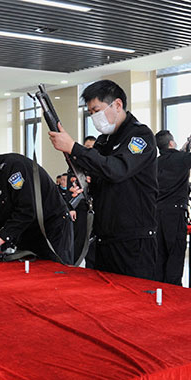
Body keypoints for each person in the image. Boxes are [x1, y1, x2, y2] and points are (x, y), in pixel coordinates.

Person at [48, 80, 158, 279]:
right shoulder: (103, 140)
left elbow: (117, 170)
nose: (94, 117)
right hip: (103, 235)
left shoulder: (140, 136)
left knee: (133, 294)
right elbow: (98, 174)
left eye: (97, 110)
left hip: (133, 240)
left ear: (117, 104)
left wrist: (74, 147)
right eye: (90, 113)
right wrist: (84, 184)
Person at [154, 131, 191, 285]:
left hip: (157, 214)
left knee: (160, 253)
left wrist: (182, 151)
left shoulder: (155, 163)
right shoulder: (181, 159)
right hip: (175, 213)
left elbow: (171, 161)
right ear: (171, 143)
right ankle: (173, 288)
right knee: (175, 252)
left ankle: (159, 288)